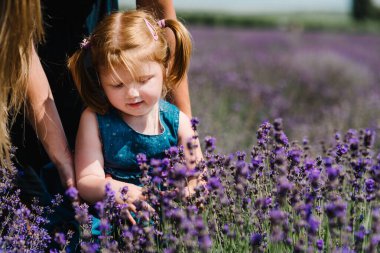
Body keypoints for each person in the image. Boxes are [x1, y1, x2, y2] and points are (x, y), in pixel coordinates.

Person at [67, 10, 202, 225]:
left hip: (168, 220)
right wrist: (116, 191)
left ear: (164, 68)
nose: (132, 93)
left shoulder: (178, 121)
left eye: (144, 79)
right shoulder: (95, 119)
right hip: (117, 219)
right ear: (100, 81)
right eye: (118, 84)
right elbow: (86, 181)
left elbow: (197, 174)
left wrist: (189, 192)